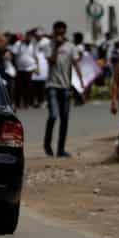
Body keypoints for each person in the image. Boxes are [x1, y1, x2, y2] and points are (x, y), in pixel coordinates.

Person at [44, 21, 82, 158]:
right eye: (57, 32)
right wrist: (56, 46)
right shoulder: (48, 45)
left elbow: (75, 63)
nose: (60, 34)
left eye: (62, 32)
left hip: (65, 86)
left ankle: (61, 149)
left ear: (65, 32)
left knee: (65, 118)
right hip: (52, 85)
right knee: (53, 115)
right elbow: (51, 61)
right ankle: (47, 143)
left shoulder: (71, 46)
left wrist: (81, 81)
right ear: (54, 32)